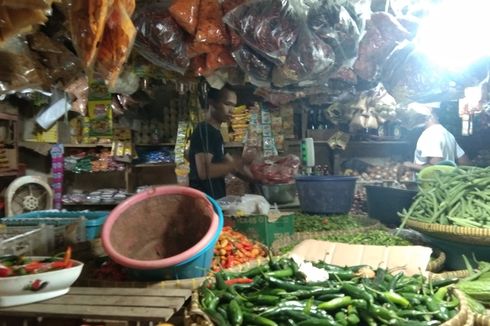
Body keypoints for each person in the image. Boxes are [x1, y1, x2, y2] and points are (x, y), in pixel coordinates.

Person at [188, 85, 249, 199]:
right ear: (212, 103)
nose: (232, 110)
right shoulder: (205, 131)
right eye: (227, 104)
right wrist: (234, 164)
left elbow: (226, 159)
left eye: (234, 106)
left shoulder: (216, 133)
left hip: (214, 199)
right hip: (204, 201)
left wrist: (258, 177)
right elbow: (204, 171)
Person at [403, 105, 471, 172]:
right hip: (446, 180)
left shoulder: (430, 134)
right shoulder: (447, 134)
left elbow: (434, 168)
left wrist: (410, 165)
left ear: (426, 117)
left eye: (415, 118)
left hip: (431, 182)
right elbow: (465, 162)